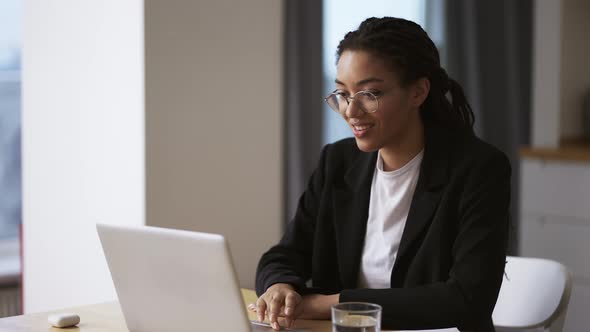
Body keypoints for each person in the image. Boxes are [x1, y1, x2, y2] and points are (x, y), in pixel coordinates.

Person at [253, 17, 511, 332]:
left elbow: (466, 298)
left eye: (369, 94)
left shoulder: (479, 170)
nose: (350, 110)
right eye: (343, 94)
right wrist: (279, 286)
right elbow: (285, 255)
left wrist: (326, 304)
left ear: (418, 92)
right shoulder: (337, 161)